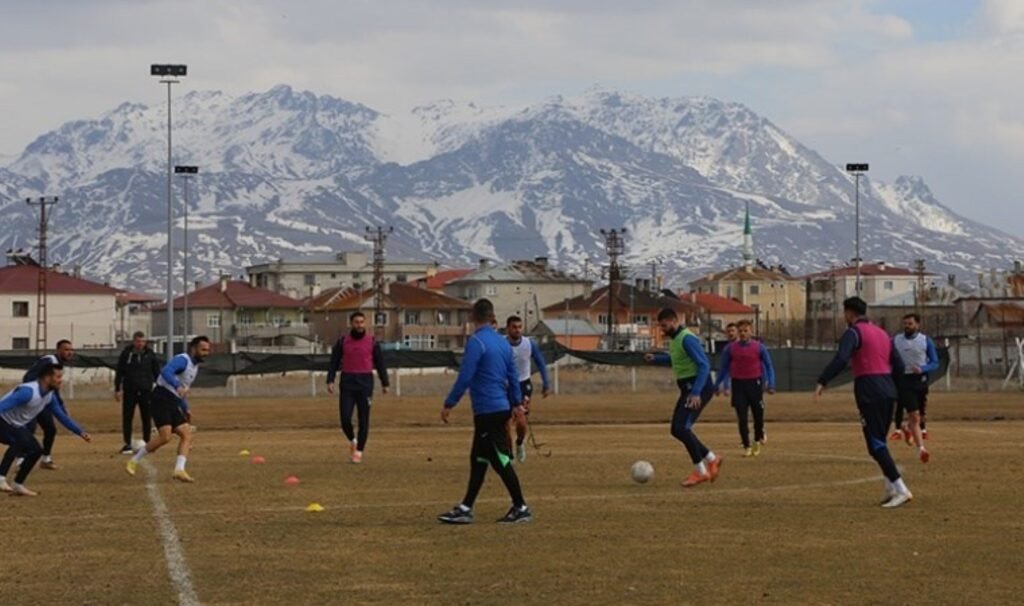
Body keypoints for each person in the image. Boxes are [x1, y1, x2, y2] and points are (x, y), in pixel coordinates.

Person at [438, 299, 532, 525]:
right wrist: (517, 404)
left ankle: (521, 507)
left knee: (500, 460)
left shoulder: (476, 342)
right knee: (479, 459)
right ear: (492, 317)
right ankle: (466, 507)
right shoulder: (502, 344)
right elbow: (512, 376)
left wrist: (450, 403)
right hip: (499, 408)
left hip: (488, 411)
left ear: (473, 316)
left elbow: (465, 376)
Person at [816, 297, 912, 508]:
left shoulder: (854, 333)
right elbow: (898, 364)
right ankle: (889, 488)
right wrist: (896, 390)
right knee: (880, 441)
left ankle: (901, 489)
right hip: (888, 388)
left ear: (849, 313)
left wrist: (823, 380)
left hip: (870, 389)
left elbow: (842, 358)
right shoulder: (883, 333)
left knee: (875, 445)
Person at [644, 308, 722, 488]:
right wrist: (655, 359)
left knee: (680, 428)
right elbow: (676, 360)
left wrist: (696, 392)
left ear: (674, 321)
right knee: (678, 429)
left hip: (697, 388)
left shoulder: (687, 338)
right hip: (689, 388)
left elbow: (704, 365)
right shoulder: (676, 340)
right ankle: (712, 458)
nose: (662, 329)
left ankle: (701, 471)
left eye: (664, 325)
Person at [126, 336, 211, 483]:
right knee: (165, 437)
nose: (206, 353)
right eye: (203, 349)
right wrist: (177, 385)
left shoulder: (194, 367)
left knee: (186, 434)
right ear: (193, 349)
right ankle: (133, 460)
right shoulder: (183, 359)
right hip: (160, 397)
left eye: (208, 350)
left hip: (172, 401)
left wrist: (185, 407)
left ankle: (179, 470)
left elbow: (182, 391)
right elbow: (166, 371)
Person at [0, 364, 91, 496]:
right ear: (47, 378)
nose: (61, 380)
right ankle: (1, 478)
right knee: (19, 440)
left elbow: (61, 416)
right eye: (58, 376)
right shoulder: (28, 392)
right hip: (2, 421)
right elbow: (2, 406)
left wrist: (80, 431)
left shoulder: (49, 396)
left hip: (15, 425)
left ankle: (18, 485)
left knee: (36, 451)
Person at [326, 311, 390, 464]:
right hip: (348, 382)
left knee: (364, 419)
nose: (359, 325)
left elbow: (380, 363)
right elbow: (334, 362)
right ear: (351, 324)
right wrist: (330, 380)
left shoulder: (372, 342)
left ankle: (359, 451)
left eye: (362, 322)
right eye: (356, 322)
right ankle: (353, 440)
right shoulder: (343, 342)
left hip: (365, 383)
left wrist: (385, 382)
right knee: (345, 418)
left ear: (365, 323)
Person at [716, 319, 776, 457]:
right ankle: (746, 445)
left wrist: (771, 383)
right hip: (738, 385)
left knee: (758, 416)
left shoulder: (759, 347)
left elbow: (768, 366)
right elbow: (724, 368)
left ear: (751, 331)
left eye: (745, 331)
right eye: (740, 331)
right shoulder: (730, 349)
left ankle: (756, 440)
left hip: (755, 384)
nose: (743, 333)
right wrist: (717, 385)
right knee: (742, 417)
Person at [20, 339, 75, 470]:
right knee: (29, 430)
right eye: (66, 350)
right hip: (32, 400)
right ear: (58, 350)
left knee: (50, 429)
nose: (69, 353)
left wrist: (60, 405)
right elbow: (28, 377)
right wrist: (33, 394)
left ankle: (46, 459)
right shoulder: (49, 361)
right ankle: (20, 460)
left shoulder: (58, 365)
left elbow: (54, 388)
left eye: (71, 350)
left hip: (43, 402)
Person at [892, 314, 938, 463]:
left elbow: (935, 362)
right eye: (905, 323)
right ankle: (921, 450)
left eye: (910, 324)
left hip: (921, 381)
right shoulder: (896, 340)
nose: (907, 326)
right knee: (915, 417)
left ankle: (906, 428)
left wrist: (923, 368)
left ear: (917, 325)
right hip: (904, 381)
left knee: (918, 417)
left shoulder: (925, 341)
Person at [505, 315, 550, 463]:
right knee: (505, 422)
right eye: (514, 327)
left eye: (519, 327)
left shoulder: (528, 344)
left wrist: (546, 383)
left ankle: (519, 443)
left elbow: (541, 363)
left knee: (521, 419)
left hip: (523, 384)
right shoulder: (502, 345)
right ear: (508, 328)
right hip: (505, 386)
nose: (517, 330)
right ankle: (509, 452)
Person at [114, 331, 161, 454]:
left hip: (146, 391)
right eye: (138, 341)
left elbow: (156, 372)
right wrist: (117, 389)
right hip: (130, 391)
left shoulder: (150, 355)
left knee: (146, 417)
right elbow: (120, 372)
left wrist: (159, 388)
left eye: (142, 341)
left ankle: (147, 443)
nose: (140, 344)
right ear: (134, 341)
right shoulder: (126, 354)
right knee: (127, 417)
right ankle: (127, 444)